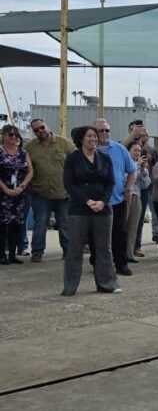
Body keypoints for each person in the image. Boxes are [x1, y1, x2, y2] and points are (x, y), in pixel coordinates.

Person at [61, 125, 121, 295]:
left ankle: (107, 283)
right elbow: (69, 183)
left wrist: (102, 202)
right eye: (89, 136)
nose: (93, 139)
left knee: (104, 248)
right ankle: (70, 286)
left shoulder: (105, 157)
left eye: (95, 136)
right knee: (75, 248)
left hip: (103, 208)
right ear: (81, 139)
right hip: (79, 208)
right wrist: (87, 201)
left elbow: (111, 182)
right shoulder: (73, 158)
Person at [25, 117, 75, 261]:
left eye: (42, 127)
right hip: (40, 193)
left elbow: (77, 161)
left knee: (64, 223)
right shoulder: (29, 147)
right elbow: (25, 168)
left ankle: (68, 251)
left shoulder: (64, 143)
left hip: (63, 193)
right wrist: (29, 187)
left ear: (47, 126)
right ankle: (37, 252)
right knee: (40, 223)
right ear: (34, 132)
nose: (40, 131)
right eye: (36, 130)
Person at [93, 118, 136, 276]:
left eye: (107, 130)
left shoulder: (119, 149)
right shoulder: (90, 150)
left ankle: (121, 264)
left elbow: (132, 170)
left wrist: (129, 189)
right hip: (96, 201)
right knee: (96, 236)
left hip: (117, 200)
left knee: (120, 233)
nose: (104, 133)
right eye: (100, 130)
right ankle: (98, 264)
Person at [0, 124, 34, 264]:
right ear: (3, 136)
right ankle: (2, 254)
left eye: (15, 135)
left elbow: (30, 171)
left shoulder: (23, 153)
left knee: (16, 223)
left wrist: (22, 186)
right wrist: (6, 189)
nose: (13, 137)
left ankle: (13, 254)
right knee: (2, 224)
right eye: (10, 135)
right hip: (3, 193)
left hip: (19, 193)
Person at [125, 141, 150, 262]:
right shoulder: (124, 163)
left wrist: (144, 172)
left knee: (133, 227)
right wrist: (136, 167)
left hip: (137, 196)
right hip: (124, 196)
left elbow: (146, 185)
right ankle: (118, 253)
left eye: (139, 151)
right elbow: (125, 178)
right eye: (135, 150)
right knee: (122, 226)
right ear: (128, 151)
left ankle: (129, 254)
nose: (137, 153)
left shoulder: (141, 166)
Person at [135, 128, 158, 255]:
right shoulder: (131, 148)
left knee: (149, 214)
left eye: (147, 135)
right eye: (142, 135)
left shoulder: (152, 151)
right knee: (135, 218)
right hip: (133, 185)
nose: (144, 137)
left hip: (147, 186)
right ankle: (132, 244)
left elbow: (154, 168)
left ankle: (140, 243)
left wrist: (154, 184)